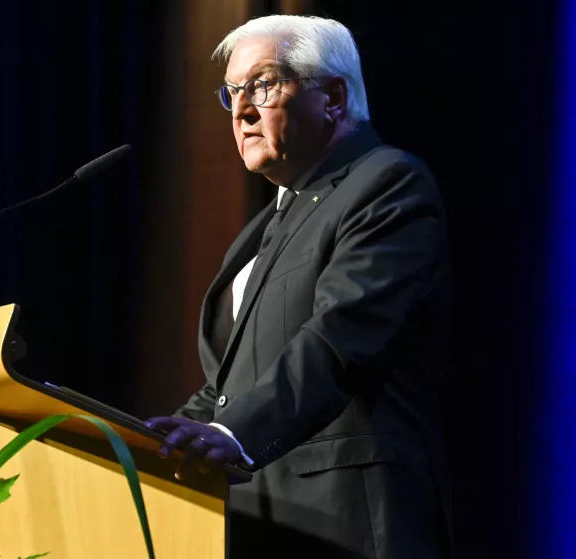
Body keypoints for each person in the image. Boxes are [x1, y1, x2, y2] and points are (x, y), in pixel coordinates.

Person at [144, 14, 453, 559]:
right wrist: (145, 444)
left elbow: (337, 340)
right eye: (232, 92)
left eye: (262, 85)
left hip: (348, 519)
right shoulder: (265, 228)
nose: (240, 111)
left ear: (333, 97)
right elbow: (228, 387)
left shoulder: (387, 184)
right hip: (261, 521)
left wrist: (232, 435)